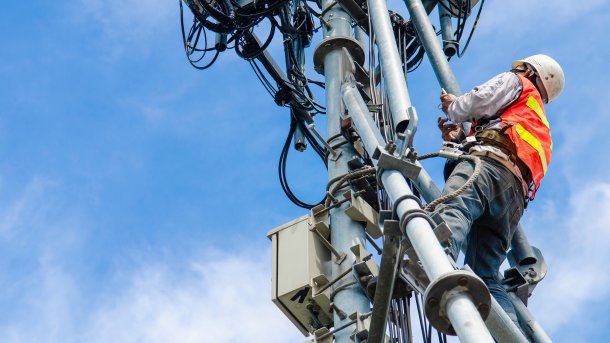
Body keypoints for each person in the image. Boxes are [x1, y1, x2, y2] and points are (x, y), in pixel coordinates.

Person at [434, 54, 565, 324]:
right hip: (512, 197)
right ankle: (507, 331)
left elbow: (480, 99)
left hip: (488, 168)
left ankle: (434, 261)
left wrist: (454, 106)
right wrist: (460, 137)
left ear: (530, 70)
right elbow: (506, 135)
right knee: (486, 276)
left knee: (453, 208)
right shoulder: (537, 120)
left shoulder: (518, 83)